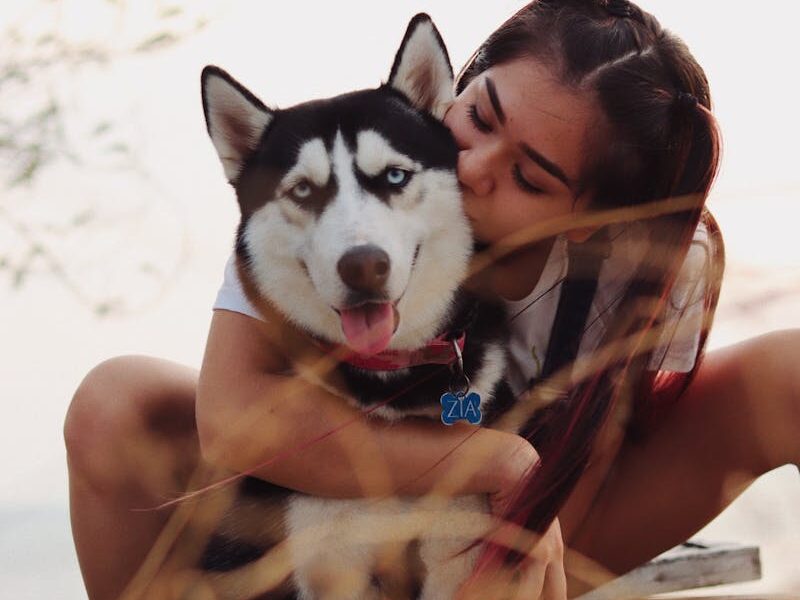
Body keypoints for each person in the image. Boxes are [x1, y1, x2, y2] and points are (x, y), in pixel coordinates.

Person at [64, 1, 800, 598]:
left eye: (531, 179)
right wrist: (487, 458)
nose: (473, 167)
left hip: (551, 512)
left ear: (595, 227)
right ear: (459, 77)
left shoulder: (650, 263)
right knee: (115, 401)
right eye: (478, 117)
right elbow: (233, 423)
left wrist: (509, 480)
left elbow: (583, 467)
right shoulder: (340, 187)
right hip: (341, 472)